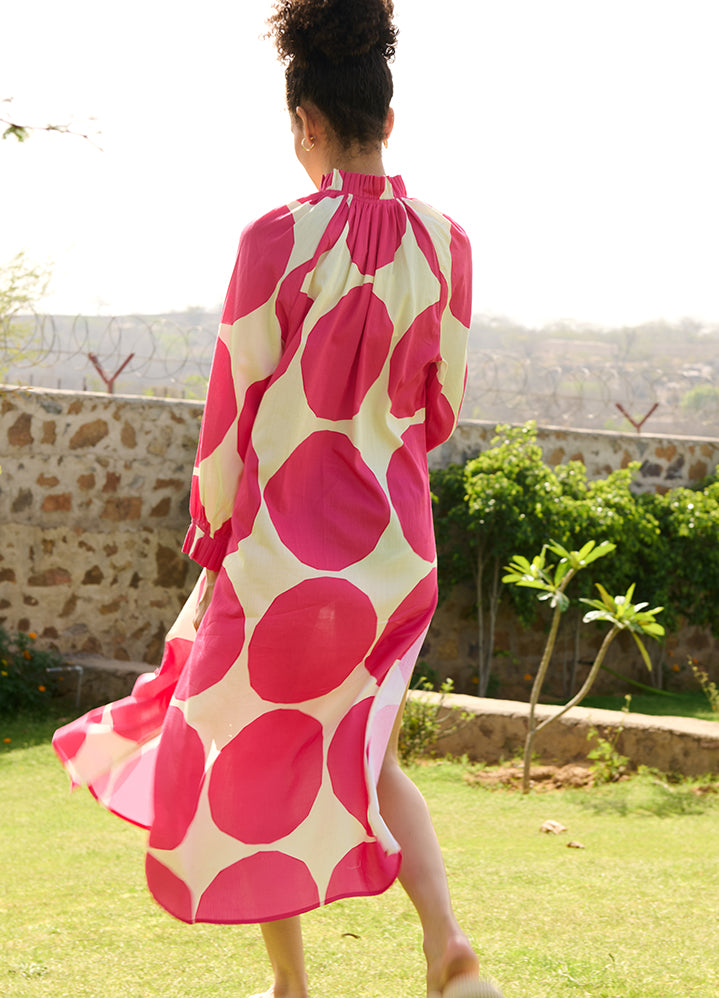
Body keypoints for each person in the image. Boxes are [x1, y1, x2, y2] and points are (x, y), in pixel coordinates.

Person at [53, 2, 504, 996]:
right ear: (388, 119)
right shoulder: (447, 245)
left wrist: (212, 529)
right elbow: (438, 408)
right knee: (364, 752)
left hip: (278, 563)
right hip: (394, 560)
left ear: (302, 122)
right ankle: (448, 947)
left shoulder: (273, 240)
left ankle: (292, 984)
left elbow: (232, 409)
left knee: (260, 757)